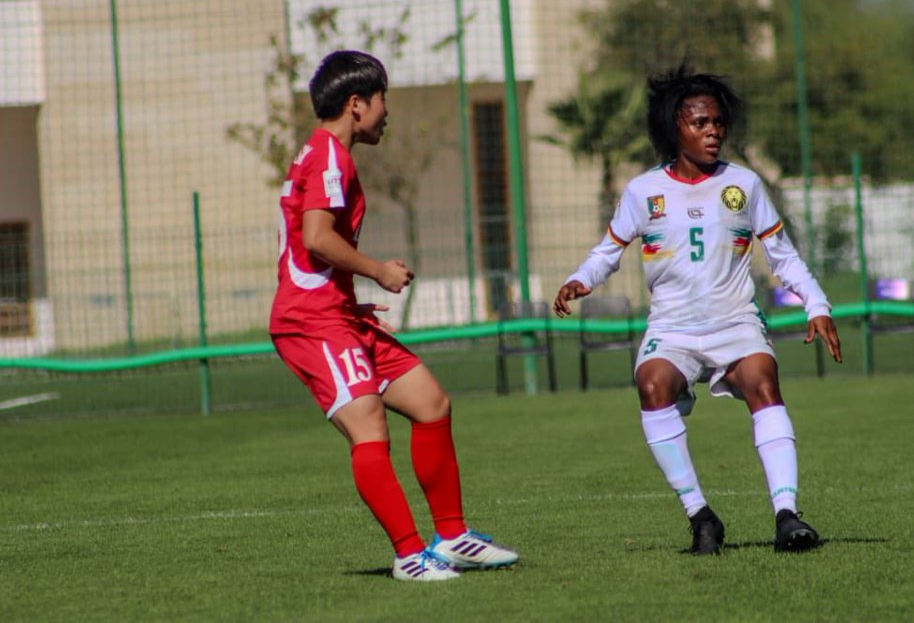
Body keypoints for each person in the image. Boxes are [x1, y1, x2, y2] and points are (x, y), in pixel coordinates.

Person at [553, 65, 843, 555]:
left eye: (718, 123)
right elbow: (608, 251)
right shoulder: (643, 192)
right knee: (652, 385)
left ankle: (787, 515)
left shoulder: (745, 185)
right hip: (673, 328)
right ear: (675, 129)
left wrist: (816, 303)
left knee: (763, 381)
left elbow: (783, 257)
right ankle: (701, 516)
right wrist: (580, 279)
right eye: (700, 123)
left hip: (736, 321)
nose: (713, 132)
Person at [270, 50, 518, 581]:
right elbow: (316, 239)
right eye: (384, 100)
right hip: (310, 322)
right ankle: (410, 556)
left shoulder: (323, 154)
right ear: (356, 104)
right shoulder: (330, 157)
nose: (388, 112)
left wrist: (349, 298)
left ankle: (453, 538)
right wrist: (377, 271)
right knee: (369, 426)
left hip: (334, 311)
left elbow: (303, 247)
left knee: (430, 402)